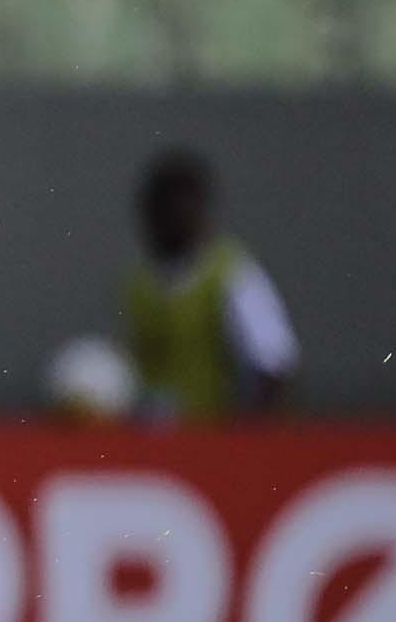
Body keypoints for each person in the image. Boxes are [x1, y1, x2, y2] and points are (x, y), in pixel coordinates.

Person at [122, 148, 299, 420]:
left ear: (201, 210)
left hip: (214, 435)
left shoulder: (232, 273)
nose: (172, 218)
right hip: (153, 437)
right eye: (162, 208)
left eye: (181, 207)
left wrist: (253, 440)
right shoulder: (139, 283)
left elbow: (273, 361)